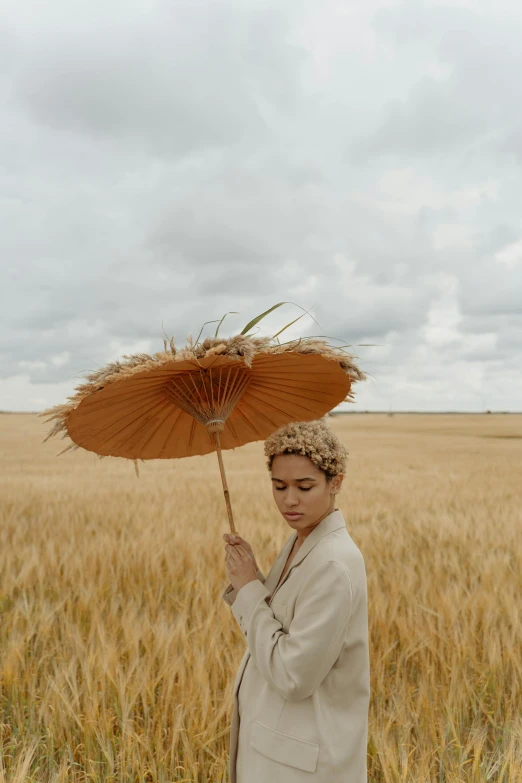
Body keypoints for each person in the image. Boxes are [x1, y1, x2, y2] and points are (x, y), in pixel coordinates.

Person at [221, 417, 370, 783]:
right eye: (279, 485)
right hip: (277, 749)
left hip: (303, 765)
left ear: (336, 483)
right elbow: (282, 624)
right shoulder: (301, 539)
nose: (289, 500)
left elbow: (293, 675)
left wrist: (248, 590)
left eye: (305, 487)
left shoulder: (334, 563)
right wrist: (252, 576)